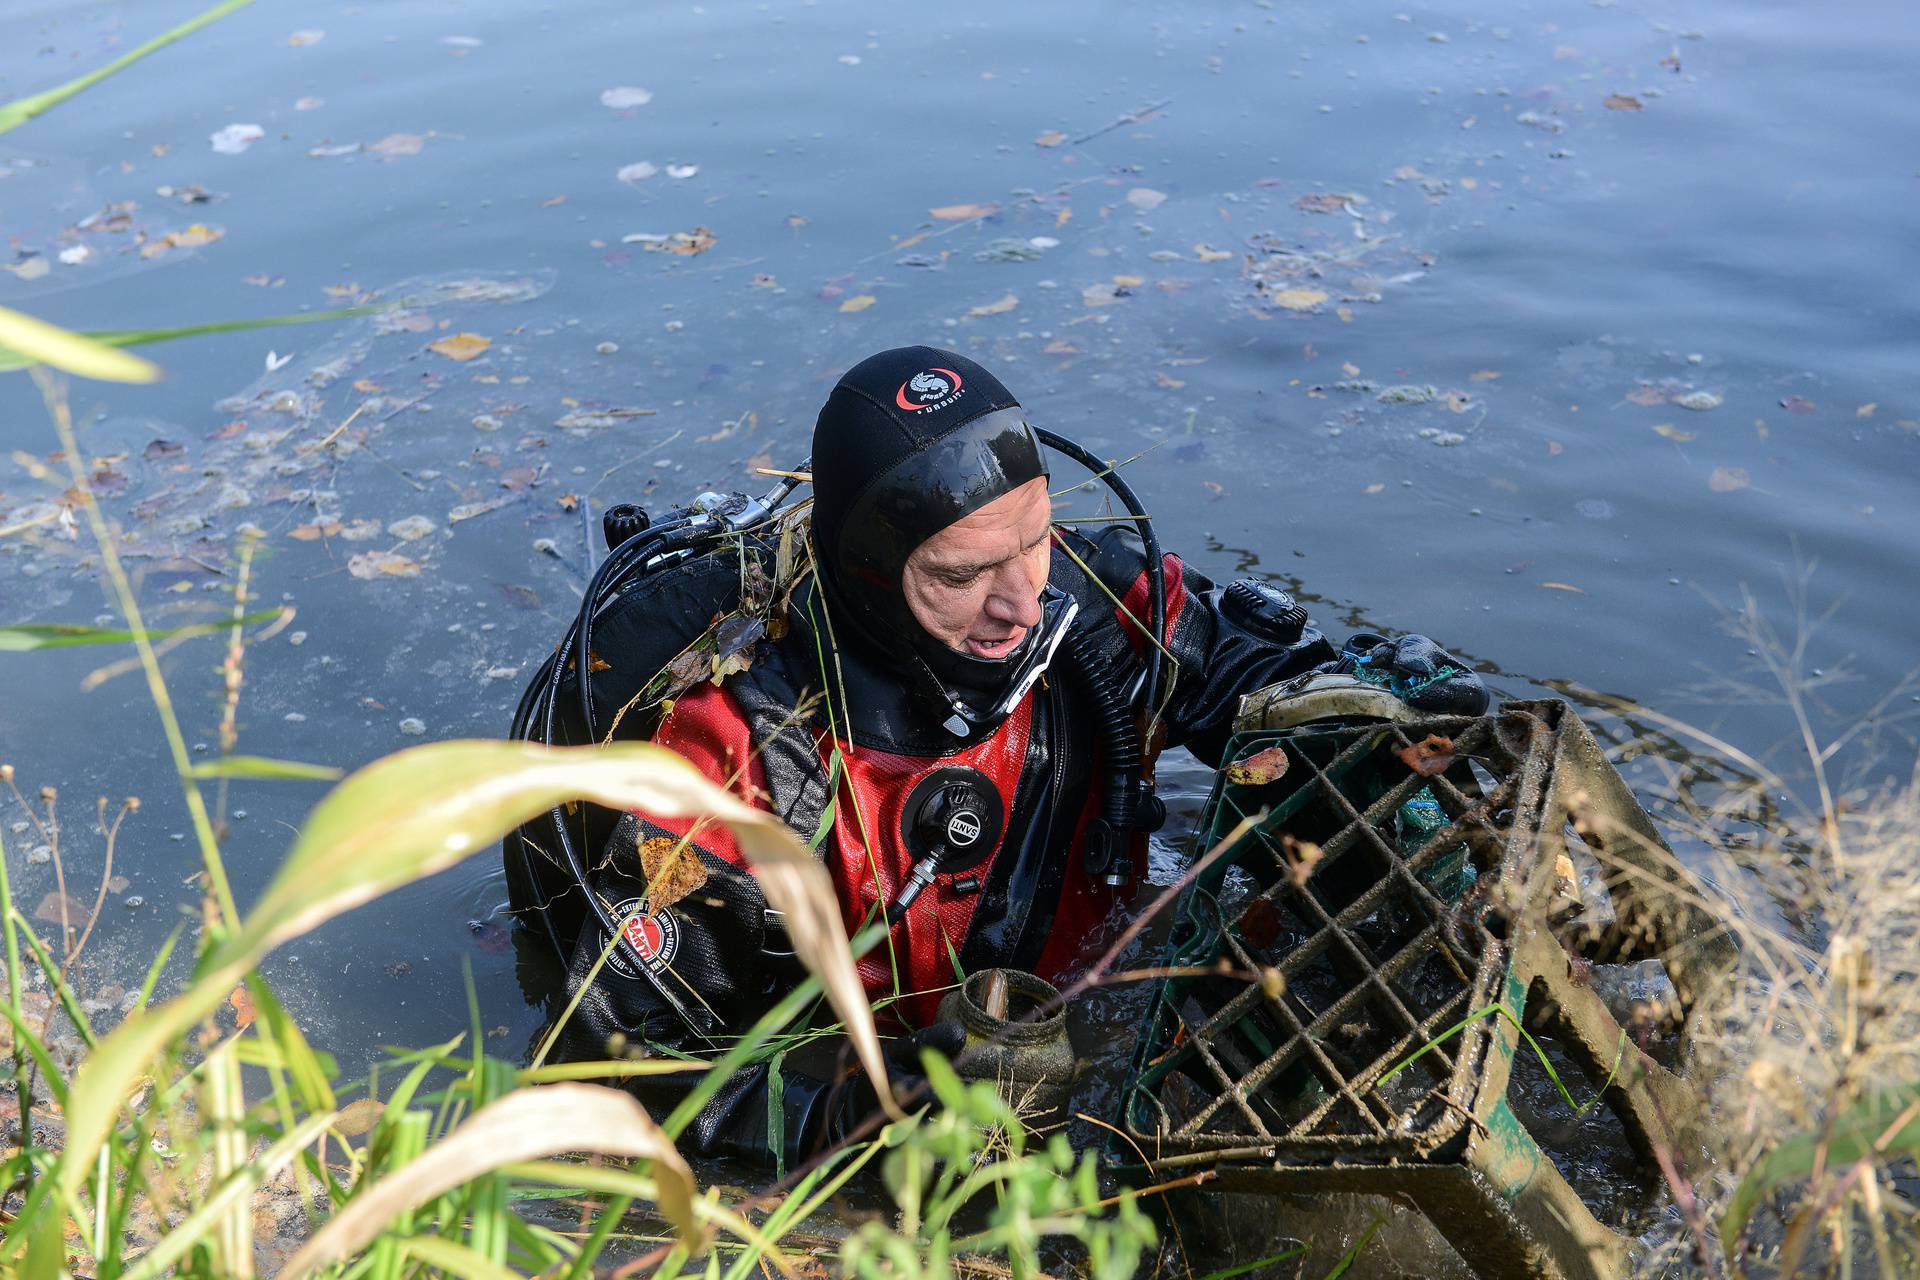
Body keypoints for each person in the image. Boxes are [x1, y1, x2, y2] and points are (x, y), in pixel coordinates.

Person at [514, 345, 1487, 1165]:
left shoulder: (1093, 603)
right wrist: (859, 1126)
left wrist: (1361, 710)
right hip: (893, 1055)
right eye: (962, 572)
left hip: (1086, 996)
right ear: (869, 577)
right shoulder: (737, 761)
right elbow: (613, 1054)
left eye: (1032, 540)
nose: (1024, 601)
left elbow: (1249, 672)